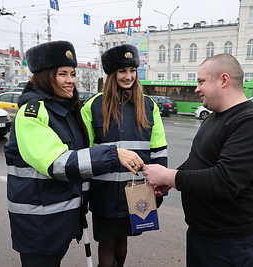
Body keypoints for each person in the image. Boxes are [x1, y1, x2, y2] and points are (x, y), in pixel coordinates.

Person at [4, 40, 143, 267]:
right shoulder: (32, 113)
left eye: (72, 73)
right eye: (62, 74)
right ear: (45, 76)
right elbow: (58, 163)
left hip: (58, 219)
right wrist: (112, 154)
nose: (71, 80)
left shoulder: (64, 110)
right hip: (38, 222)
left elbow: (81, 155)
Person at [143, 53, 253, 266]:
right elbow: (197, 160)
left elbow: (225, 181)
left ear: (223, 80)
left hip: (229, 242)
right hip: (203, 234)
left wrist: (170, 177)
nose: (196, 88)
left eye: (201, 81)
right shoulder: (214, 116)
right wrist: (168, 183)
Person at [81, 44, 168, 267]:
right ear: (112, 74)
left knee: (123, 239)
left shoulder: (149, 105)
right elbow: (84, 153)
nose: (128, 76)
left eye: (132, 70)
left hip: (137, 190)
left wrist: (159, 186)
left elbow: (158, 149)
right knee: (107, 242)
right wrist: (83, 194)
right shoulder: (93, 106)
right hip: (104, 192)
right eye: (122, 71)